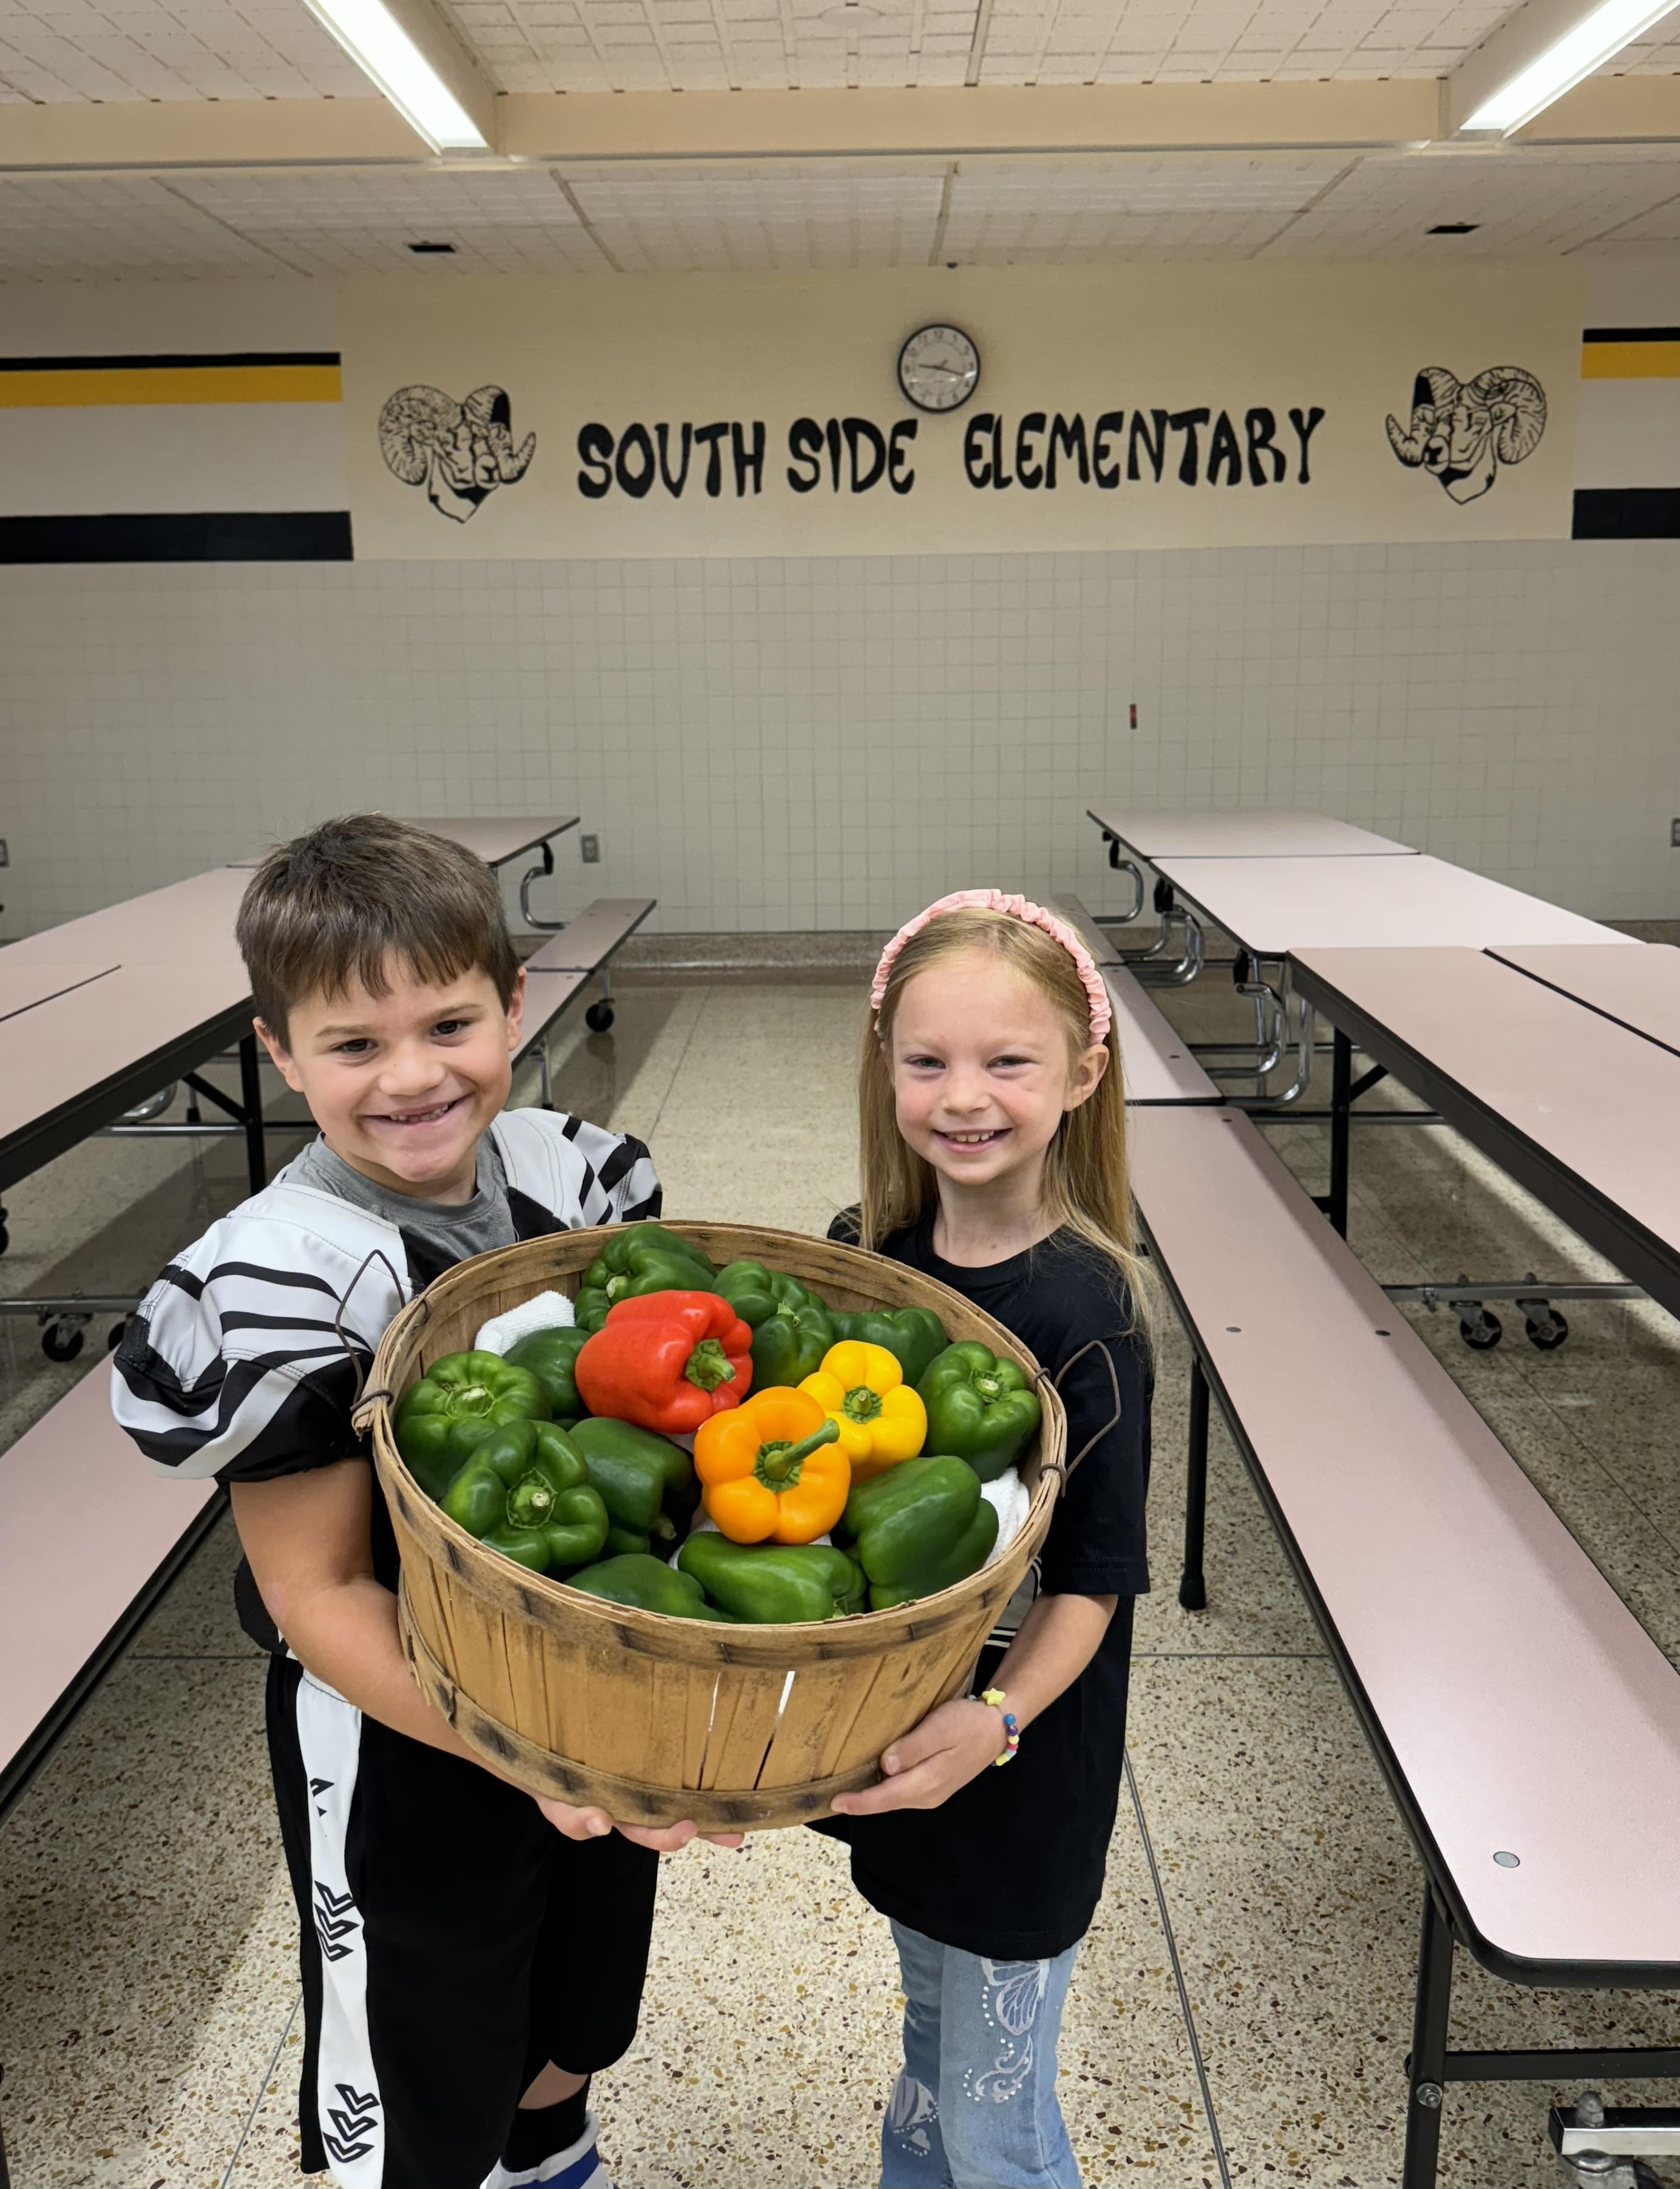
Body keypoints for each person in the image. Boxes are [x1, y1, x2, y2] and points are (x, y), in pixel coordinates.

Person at [112, 814, 729, 2189]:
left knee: (578, 1996)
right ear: (278, 1052)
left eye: (450, 1024)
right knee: (417, 2052)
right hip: (403, 1725)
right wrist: (515, 1744)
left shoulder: (575, 1182)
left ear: (515, 1005)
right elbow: (318, 1592)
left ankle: (552, 2150)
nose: (411, 1077)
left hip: (586, 1688)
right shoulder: (275, 1280)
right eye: (351, 1045)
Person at [823, 888, 1154, 2189]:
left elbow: (1092, 1585)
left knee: (995, 2123)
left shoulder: (1089, 1312)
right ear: (885, 1068)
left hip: (1015, 1775)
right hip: (906, 1747)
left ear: (1082, 1071)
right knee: (925, 2052)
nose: (964, 1095)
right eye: (927, 1061)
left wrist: (998, 1721)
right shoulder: (869, 1256)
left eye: (1006, 1061)